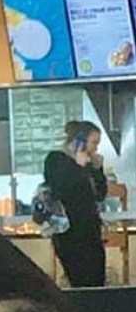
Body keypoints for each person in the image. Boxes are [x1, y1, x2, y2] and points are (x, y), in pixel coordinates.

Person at [43, 120, 107, 287]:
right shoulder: (56, 160)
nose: (95, 148)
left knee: (96, 278)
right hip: (70, 233)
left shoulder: (88, 164)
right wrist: (78, 167)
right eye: (93, 142)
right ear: (80, 140)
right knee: (80, 279)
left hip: (90, 231)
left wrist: (97, 169)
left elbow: (100, 194)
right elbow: (63, 189)